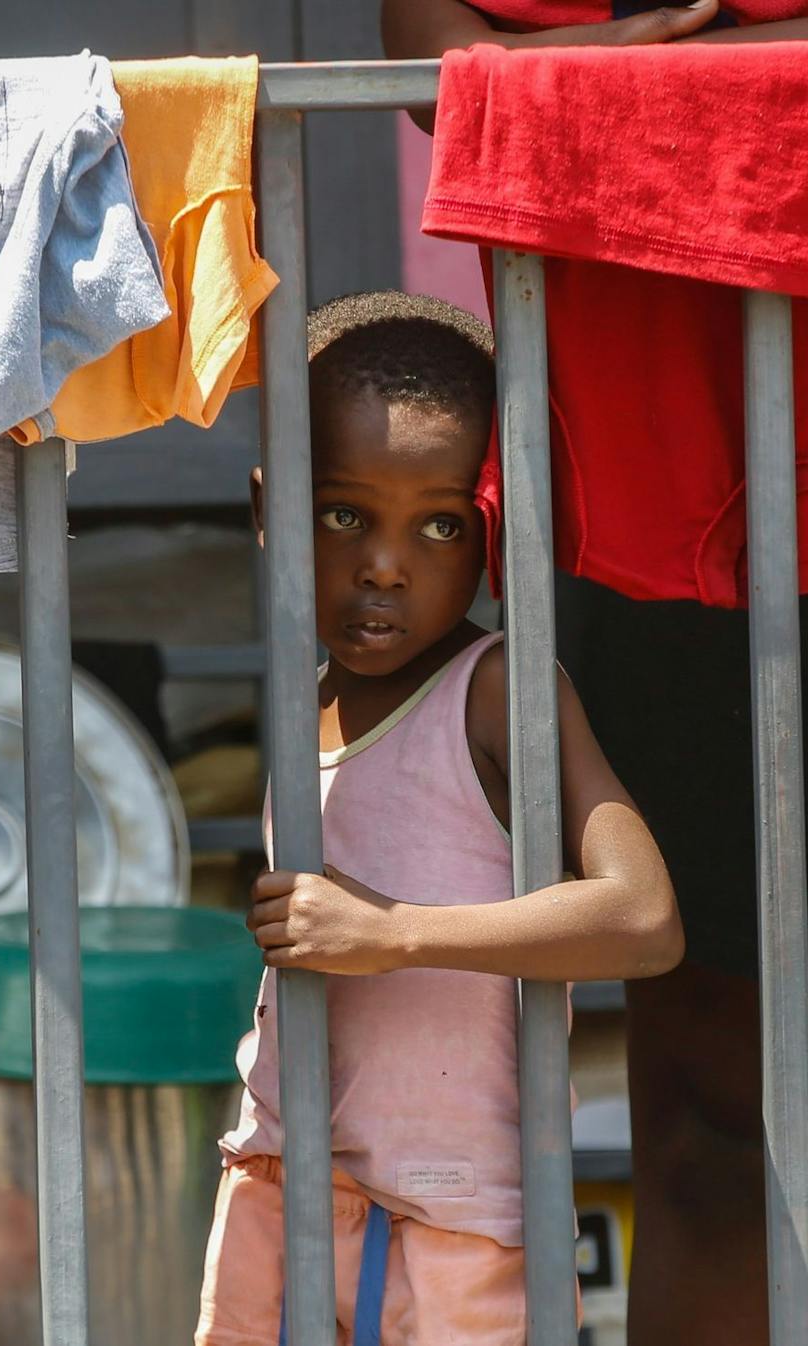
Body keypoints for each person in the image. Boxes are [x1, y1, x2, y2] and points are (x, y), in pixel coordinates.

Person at [384, 5, 808, 1343]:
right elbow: (424, 39)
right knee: (718, 1129)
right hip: (662, 421)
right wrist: (624, 86)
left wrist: (664, 82)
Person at [195, 292, 682, 1345]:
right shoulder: (296, 701)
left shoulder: (497, 687)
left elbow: (642, 917)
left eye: (438, 524)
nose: (384, 563)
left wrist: (392, 931)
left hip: (453, 1224)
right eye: (341, 515)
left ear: (496, 532)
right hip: (282, 1186)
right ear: (267, 508)